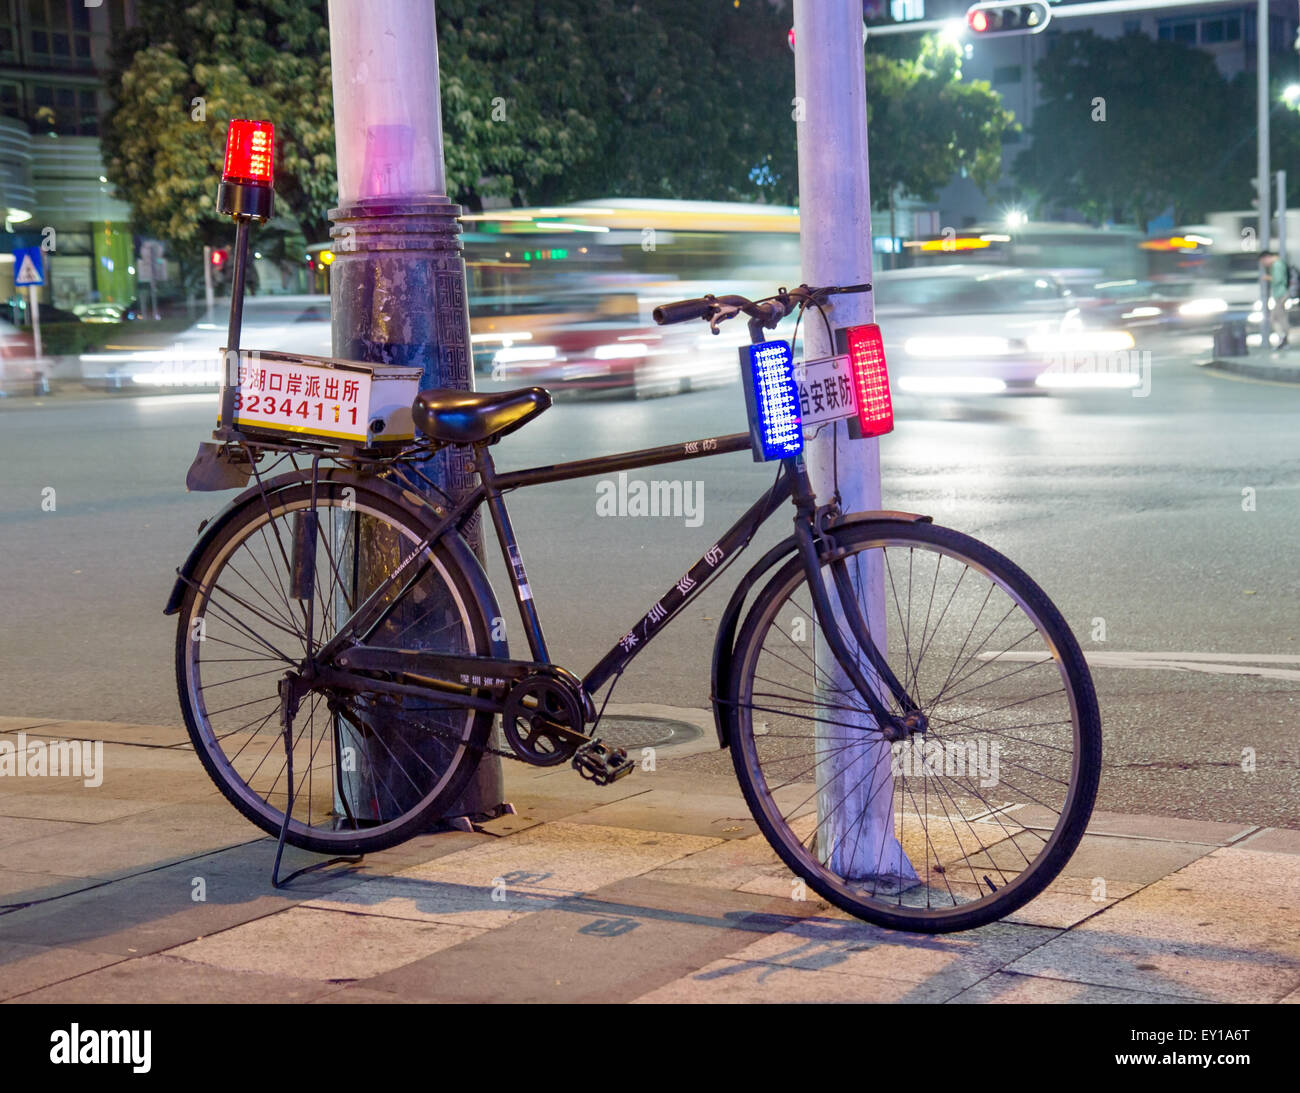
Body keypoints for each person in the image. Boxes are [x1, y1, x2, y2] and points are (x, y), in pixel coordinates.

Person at [1259, 250, 1290, 348]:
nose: (1264, 264)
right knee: (1281, 317)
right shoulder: (1279, 263)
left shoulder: (1277, 265)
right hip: (1281, 294)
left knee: (1274, 318)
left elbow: (1278, 279)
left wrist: (1267, 277)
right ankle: (1284, 339)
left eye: (1263, 262)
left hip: (1281, 294)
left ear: (1266, 257)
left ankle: (1283, 338)